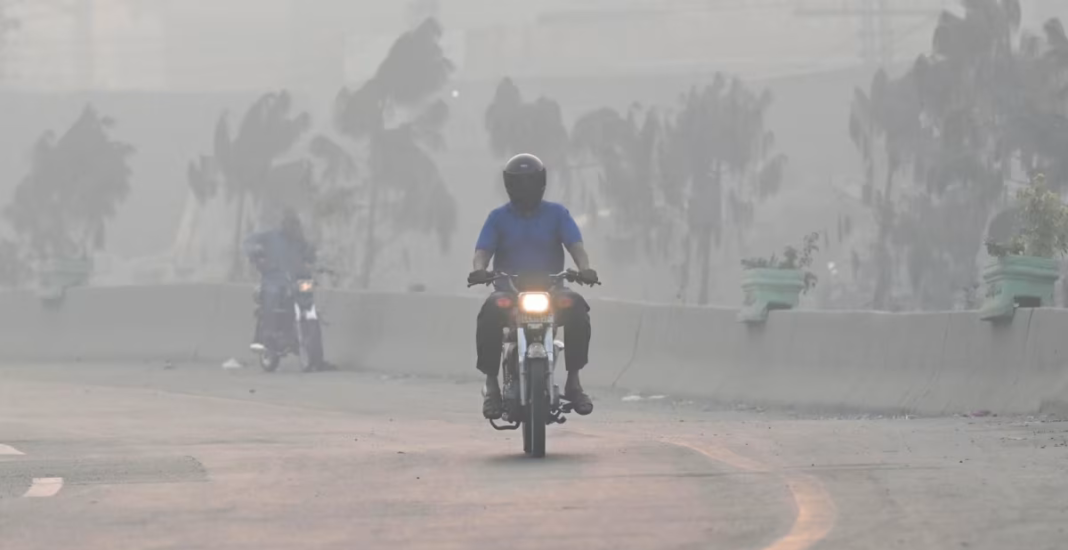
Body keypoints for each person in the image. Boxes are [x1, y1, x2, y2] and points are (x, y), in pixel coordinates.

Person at [468, 153, 600, 420]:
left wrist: (585, 268)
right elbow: (482, 251)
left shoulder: (557, 214)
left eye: (530, 182)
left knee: (576, 306)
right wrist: (479, 270)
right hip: (509, 294)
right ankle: (492, 385)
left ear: (541, 183)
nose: (525, 189)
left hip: (553, 292)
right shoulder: (498, 218)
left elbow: (576, 247)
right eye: (520, 183)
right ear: (509, 186)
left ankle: (574, 382)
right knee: (489, 312)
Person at [244, 208, 317, 352]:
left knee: (310, 296)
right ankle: (268, 335)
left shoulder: (300, 242)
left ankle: (311, 338)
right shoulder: (271, 237)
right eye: (291, 223)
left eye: (296, 224)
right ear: (284, 224)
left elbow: (311, 256)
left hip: (297, 281)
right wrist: (256, 255)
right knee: (273, 295)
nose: (293, 227)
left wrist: (315, 262)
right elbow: (249, 242)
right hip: (274, 280)